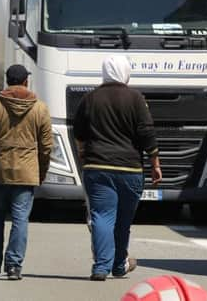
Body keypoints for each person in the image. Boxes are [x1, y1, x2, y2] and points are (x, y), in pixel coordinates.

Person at [73, 55, 162, 281]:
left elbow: (79, 132)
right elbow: (146, 132)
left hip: (98, 167)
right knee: (123, 221)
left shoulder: (90, 98)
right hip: (130, 169)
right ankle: (119, 266)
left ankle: (101, 267)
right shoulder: (136, 98)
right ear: (126, 72)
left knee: (102, 216)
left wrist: (83, 154)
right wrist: (155, 163)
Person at [0, 64, 53, 280]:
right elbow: (46, 145)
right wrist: (42, 170)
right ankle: (14, 266)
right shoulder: (39, 108)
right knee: (20, 219)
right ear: (25, 82)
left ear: (7, 81)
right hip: (26, 172)